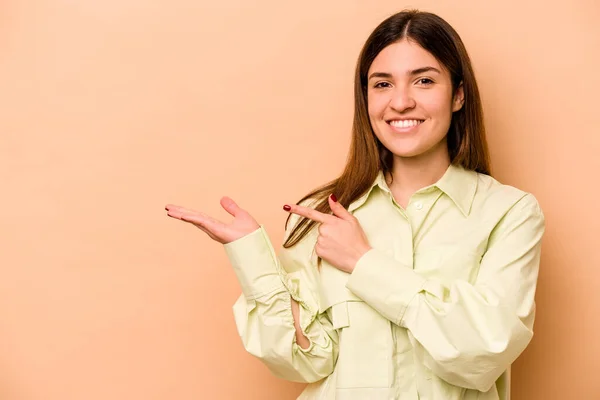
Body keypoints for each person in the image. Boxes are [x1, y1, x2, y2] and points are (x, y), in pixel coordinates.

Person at [165, 9, 545, 400]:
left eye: (424, 81)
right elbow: (305, 361)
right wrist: (253, 258)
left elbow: (484, 349)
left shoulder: (509, 213)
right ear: (365, 97)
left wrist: (364, 263)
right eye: (382, 84)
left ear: (459, 94)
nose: (400, 102)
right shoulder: (322, 213)